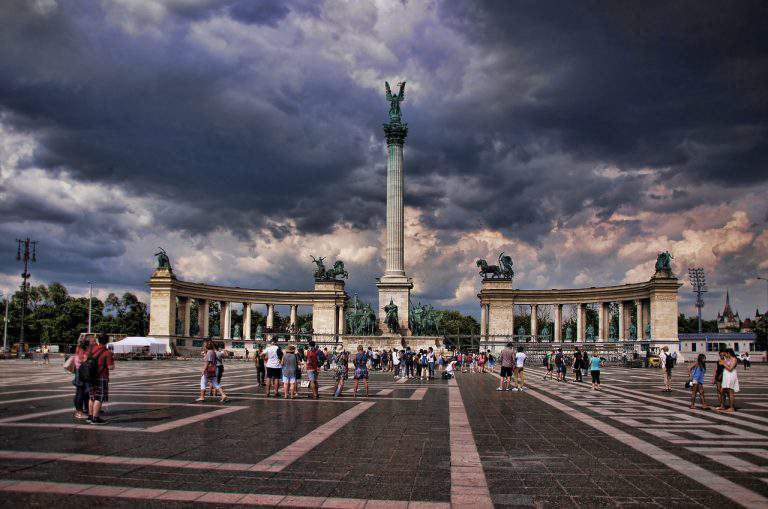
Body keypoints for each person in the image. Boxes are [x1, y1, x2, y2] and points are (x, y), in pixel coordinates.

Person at [87, 334, 116, 425]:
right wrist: (113, 360)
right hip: (101, 377)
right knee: (99, 397)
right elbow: (110, 367)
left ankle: (90, 416)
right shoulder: (107, 352)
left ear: (98, 340)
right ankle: (95, 418)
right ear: (107, 341)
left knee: (91, 397)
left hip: (91, 376)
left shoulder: (91, 349)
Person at [72, 337, 90, 420]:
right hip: (82, 373)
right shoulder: (82, 351)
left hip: (80, 372)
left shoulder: (78, 349)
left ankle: (82, 410)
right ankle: (79, 412)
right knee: (80, 394)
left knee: (82, 393)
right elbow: (84, 361)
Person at [717, 349, 740, 413]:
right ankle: (723, 406)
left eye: (726, 354)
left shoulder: (734, 359)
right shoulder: (728, 358)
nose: (725, 355)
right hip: (726, 376)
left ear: (729, 353)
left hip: (730, 375)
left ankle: (731, 407)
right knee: (722, 390)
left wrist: (724, 363)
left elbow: (730, 369)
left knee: (730, 392)